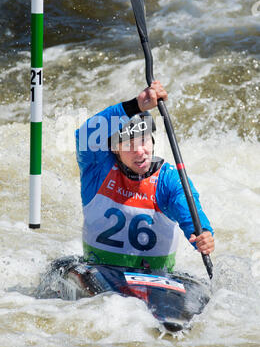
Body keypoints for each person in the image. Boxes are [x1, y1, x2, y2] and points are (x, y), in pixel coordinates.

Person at [75, 81, 214, 271]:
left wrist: (202, 233)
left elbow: (190, 213)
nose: (140, 151)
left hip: (156, 277)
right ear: (115, 148)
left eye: (144, 141)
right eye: (130, 145)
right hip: (100, 271)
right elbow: (84, 136)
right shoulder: (98, 169)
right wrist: (134, 106)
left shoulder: (169, 180)